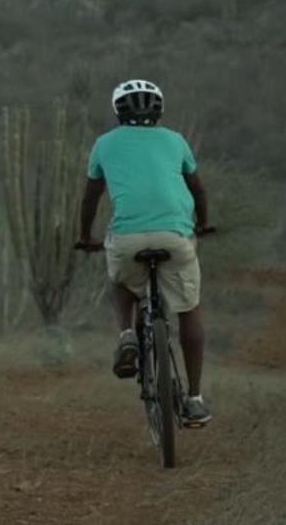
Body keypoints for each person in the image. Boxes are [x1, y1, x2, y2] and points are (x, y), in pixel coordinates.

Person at [75, 78, 216, 427]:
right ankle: (195, 399)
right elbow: (197, 190)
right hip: (175, 236)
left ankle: (127, 335)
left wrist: (85, 236)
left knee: (121, 276)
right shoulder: (175, 140)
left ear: (117, 110)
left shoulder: (104, 144)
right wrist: (203, 224)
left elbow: (90, 198)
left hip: (127, 237)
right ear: (160, 109)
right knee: (189, 309)